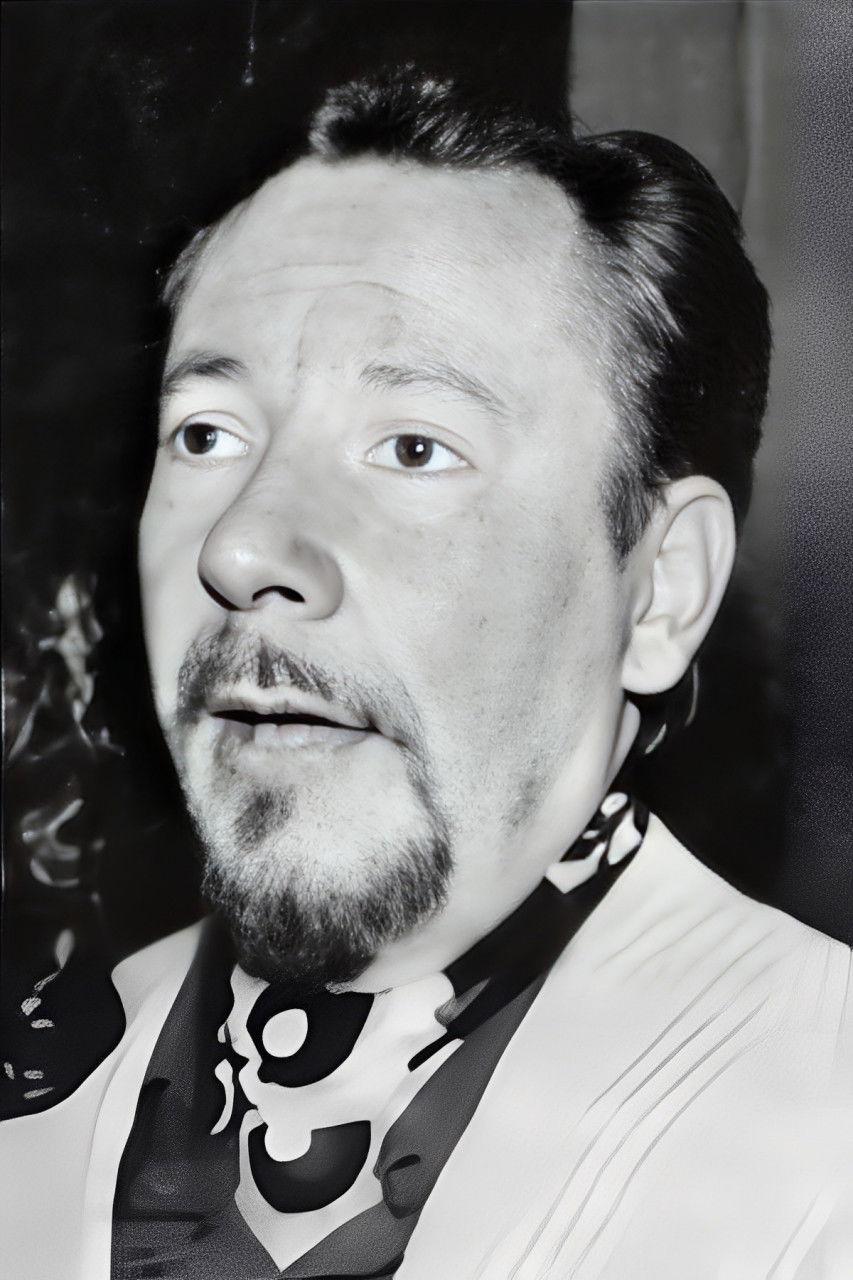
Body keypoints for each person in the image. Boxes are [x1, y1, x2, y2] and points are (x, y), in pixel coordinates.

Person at [2, 68, 850, 1280]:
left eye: (412, 445)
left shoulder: (819, 1131)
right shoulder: (40, 1098)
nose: (241, 545)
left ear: (659, 588)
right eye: (206, 434)